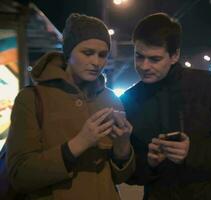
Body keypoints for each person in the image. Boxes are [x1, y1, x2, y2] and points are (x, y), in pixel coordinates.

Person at [120, 13, 211, 200]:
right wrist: (149, 163)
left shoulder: (210, 85)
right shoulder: (130, 99)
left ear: (174, 55)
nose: (144, 66)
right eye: (139, 56)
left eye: (154, 59)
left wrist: (192, 152)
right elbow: (130, 174)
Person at [6, 13, 135, 200]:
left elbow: (121, 177)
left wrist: (123, 146)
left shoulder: (109, 99)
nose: (96, 62)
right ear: (68, 53)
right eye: (87, 52)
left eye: (102, 55)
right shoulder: (32, 98)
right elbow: (19, 176)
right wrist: (79, 143)